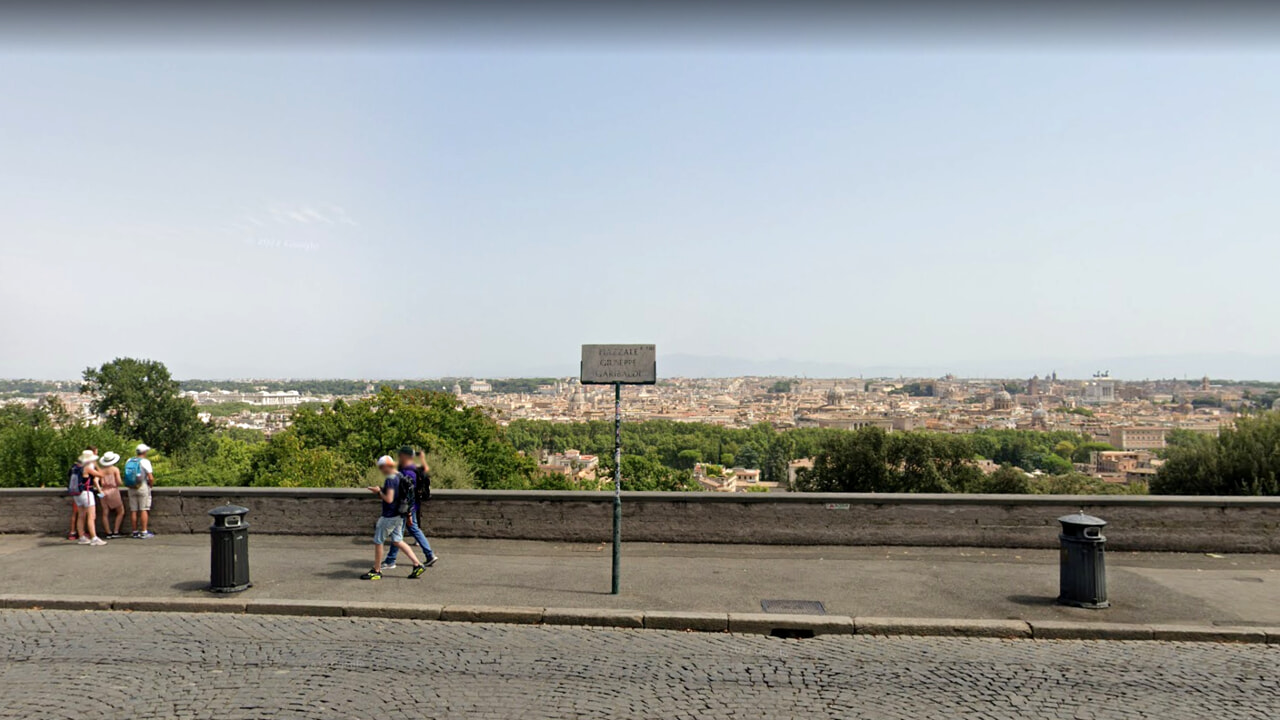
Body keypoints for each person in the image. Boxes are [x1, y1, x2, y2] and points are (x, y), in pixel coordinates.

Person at [361, 455, 425, 580]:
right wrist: (409, 515)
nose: (381, 470)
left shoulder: (390, 479)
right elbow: (402, 496)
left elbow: (389, 499)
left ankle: (376, 570)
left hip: (389, 516)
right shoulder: (400, 475)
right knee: (397, 540)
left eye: (381, 467)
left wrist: (378, 492)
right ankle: (417, 565)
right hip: (400, 515)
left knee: (378, 541)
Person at [381, 445, 438, 570]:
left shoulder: (407, 472)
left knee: (398, 533)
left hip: (406, 507)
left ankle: (391, 560)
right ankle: (429, 555)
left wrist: (408, 513)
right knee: (411, 530)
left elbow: (407, 492)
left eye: (400, 455)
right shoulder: (415, 469)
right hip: (412, 506)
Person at [71, 450, 107, 546]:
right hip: (86, 492)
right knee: (91, 516)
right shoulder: (87, 468)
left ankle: (81, 537)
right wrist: (96, 465)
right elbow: (101, 474)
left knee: (81, 515)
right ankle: (94, 538)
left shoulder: (75, 467)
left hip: (76, 493)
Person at [125, 443, 155, 539]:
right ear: (145, 452)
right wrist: (150, 486)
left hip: (131, 487)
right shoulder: (145, 462)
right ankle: (144, 532)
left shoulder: (129, 460)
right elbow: (150, 477)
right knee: (143, 509)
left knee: (133, 510)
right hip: (142, 486)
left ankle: (134, 531)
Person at [97, 452, 126, 538]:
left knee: (105, 512)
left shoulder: (101, 470)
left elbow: (96, 480)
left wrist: (99, 490)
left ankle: (108, 532)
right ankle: (116, 531)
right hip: (113, 491)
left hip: (103, 491)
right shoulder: (115, 469)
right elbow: (119, 482)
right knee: (120, 511)